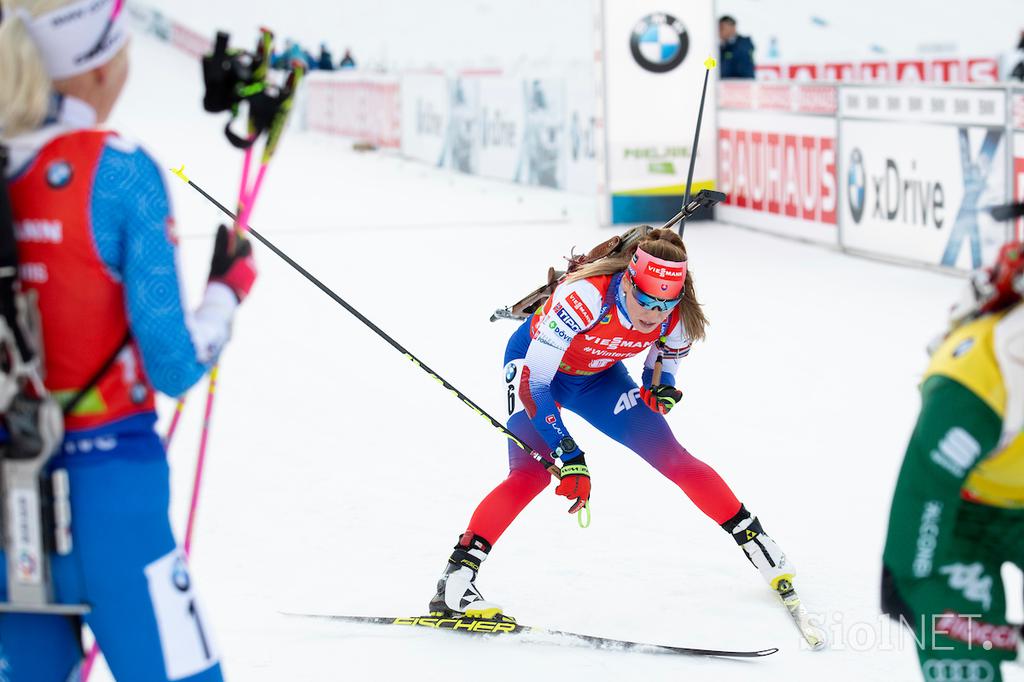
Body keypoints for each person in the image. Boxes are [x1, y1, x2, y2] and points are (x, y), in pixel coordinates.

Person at [0, 0, 256, 679]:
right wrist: (227, 294)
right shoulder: (118, 169)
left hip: (8, 505)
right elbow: (173, 363)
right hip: (111, 493)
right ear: (93, 68)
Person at [429, 229, 794, 619]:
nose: (653, 314)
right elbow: (533, 384)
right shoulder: (585, 298)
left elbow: (662, 366)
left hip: (598, 377)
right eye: (646, 300)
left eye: (664, 305)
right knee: (530, 476)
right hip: (535, 371)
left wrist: (661, 389)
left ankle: (755, 540)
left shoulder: (679, 317)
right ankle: (455, 582)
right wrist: (569, 455)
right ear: (629, 282)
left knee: (673, 457)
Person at [882, 242, 1024, 682]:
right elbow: (926, 490)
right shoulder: (976, 382)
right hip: (962, 514)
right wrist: (912, 576)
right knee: (960, 661)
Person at [719, 15, 755, 80]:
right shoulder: (722, 46)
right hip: (725, 85)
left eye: (722, 28)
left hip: (741, 85)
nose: (719, 31)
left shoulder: (744, 44)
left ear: (732, 28)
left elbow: (742, 68)